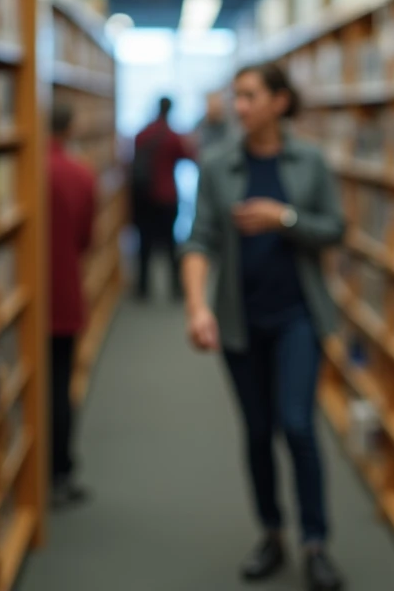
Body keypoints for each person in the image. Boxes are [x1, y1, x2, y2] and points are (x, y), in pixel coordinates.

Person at [180, 63, 346, 591]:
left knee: (297, 425)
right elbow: (199, 239)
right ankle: (271, 533)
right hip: (240, 320)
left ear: (279, 101)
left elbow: (334, 229)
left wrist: (285, 218)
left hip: (298, 315)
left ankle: (315, 542)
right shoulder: (218, 165)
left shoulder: (310, 161)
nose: (240, 106)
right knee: (256, 431)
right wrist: (197, 307)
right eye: (237, 96)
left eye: (250, 96)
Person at [47, 102, 98, 508]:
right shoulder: (79, 173)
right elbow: (85, 238)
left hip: (24, 297)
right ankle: (60, 471)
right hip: (62, 294)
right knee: (60, 384)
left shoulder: (29, 171)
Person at [132, 96, 194, 300]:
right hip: (166, 196)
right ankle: (175, 288)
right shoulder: (173, 136)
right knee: (170, 243)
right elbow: (188, 156)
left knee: (144, 242)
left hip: (144, 196)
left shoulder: (142, 134)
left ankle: (142, 288)